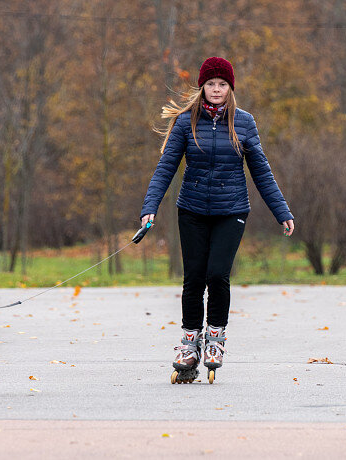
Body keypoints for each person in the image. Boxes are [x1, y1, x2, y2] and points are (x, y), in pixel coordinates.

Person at [140, 57, 295, 383]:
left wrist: (282, 211)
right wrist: (149, 207)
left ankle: (215, 337)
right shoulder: (186, 122)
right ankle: (189, 343)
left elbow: (262, 173)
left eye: (222, 84)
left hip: (231, 211)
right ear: (202, 87)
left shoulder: (244, 123)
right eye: (211, 84)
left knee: (217, 274)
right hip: (192, 210)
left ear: (230, 88)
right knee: (194, 278)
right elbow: (166, 168)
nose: (216, 89)